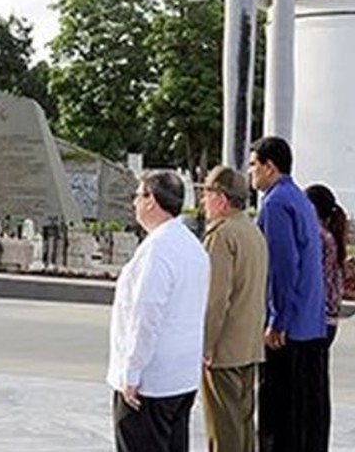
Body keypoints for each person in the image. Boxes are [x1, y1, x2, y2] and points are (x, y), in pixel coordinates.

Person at [108, 170, 210, 452]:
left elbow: (146, 316)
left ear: (151, 200)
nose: (134, 204)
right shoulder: (192, 245)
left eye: (138, 196)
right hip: (180, 377)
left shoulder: (157, 250)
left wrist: (131, 373)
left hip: (150, 383)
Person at [247, 136, 326, 452]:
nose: (250, 172)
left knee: (280, 414)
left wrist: (277, 320)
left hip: (289, 328)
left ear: (269, 167)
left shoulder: (276, 203)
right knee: (304, 412)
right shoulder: (298, 198)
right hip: (309, 322)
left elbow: (281, 266)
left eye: (254, 165)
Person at [198, 165, 269, 452]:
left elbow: (216, 299)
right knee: (243, 428)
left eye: (207, 194)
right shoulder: (252, 233)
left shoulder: (222, 236)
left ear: (222, 199)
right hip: (249, 345)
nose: (203, 201)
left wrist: (205, 344)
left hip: (224, 349)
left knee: (223, 431)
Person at [305, 183, 347, 451]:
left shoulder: (319, 237)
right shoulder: (330, 236)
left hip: (318, 320)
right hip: (329, 320)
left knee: (313, 388)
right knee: (318, 386)